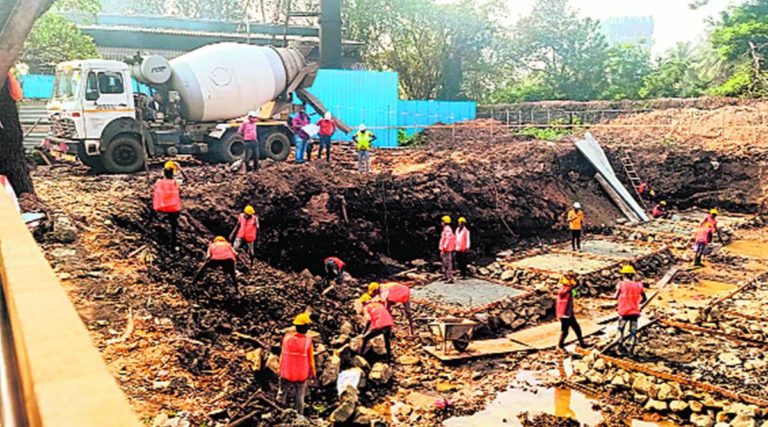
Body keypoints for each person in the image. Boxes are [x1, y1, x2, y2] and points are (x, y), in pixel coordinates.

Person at [278, 312, 316, 415]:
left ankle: (278, 410)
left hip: (286, 372)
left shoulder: (287, 338)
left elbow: (282, 355)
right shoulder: (308, 341)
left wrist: (279, 369)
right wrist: (313, 374)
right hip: (301, 375)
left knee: (282, 392)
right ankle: (300, 415)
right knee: (300, 397)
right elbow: (311, 360)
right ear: (306, 327)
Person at [146, 163, 181, 248]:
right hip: (173, 207)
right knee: (173, 226)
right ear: (173, 174)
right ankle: (173, 244)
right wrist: (180, 169)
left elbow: (153, 183)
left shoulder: (159, 182)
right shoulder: (176, 182)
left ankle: (148, 222)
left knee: (152, 207)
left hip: (160, 206)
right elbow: (187, 180)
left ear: (164, 173)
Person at [614, 265, 647, 355]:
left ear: (624, 275)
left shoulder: (621, 284)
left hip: (623, 312)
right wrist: (636, 304)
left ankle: (619, 348)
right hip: (634, 312)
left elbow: (615, 296)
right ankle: (631, 350)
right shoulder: (639, 285)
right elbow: (644, 298)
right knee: (633, 331)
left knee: (620, 329)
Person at [555, 271, 588, 350]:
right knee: (566, 330)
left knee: (575, 328)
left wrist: (576, 286)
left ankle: (581, 343)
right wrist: (575, 285)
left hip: (567, 312)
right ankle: (560, 346)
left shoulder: (567, 289)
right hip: (565, 313)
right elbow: (568, 290)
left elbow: (573, 292)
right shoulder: (564, 289)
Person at [359, 294, 394, 360]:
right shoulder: (379, 304)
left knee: (365, 338)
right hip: (389, 324)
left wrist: (364, 332)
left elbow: (369, 320)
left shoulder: (366, 307)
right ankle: (389, 359)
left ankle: (361, 356)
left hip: (380, 325)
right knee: (387, 342)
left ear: (363, 302)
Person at [439, 216, 456, 283]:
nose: (441, 223)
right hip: (444, 248)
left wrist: (444, 247)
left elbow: (448, 239)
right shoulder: (445, 229)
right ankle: (445, 276)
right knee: (444, 263)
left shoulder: (448, 229)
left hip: (447, 249)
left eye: (442, 221)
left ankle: (450, 277)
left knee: (448, 263)